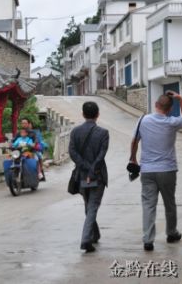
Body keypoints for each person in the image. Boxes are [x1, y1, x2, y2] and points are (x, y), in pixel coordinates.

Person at [129, 90, 182, 251]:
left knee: (148, 205)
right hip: (167, 170)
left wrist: (133, 158)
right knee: (169, 203)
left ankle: (148, 240)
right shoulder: (172, 122)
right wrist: (180, 99)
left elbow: (134, 141)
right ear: (169, 109)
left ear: (156, 105)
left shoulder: (143, 120)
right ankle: (171, 233)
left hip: (147, 170)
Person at [69, 101, 109, 253]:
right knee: (92, 207)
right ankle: (86, 239)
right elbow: (101, 155)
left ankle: (95, 234)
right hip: (97, 176)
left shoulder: (75, 132)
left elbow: (73, 153)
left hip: (81, 175)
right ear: (97, 115)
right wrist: (92, 170)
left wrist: (85, 168)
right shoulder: (103, 133)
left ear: (83, 114)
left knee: (89, 206)